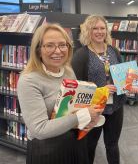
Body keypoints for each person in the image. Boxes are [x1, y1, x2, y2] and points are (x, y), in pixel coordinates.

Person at [17, 23, 103, 164]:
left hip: (75, 142)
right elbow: (40, 129)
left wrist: (88, 119)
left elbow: (73, 106)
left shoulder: (68, 70)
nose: (58, 51)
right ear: (38, 50)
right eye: (50, 45)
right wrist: (82, 116)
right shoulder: (29, 80)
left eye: (63, 45)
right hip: (48, 151)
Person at [72, 15, 126, 164]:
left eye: (102, 28)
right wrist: (101, 91)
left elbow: (122, 75)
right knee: (89, 146)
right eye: (95, 28)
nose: (99, 31)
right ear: (88, 31)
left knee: (112, 145)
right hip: (93, 109)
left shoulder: (113, 50)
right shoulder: (81, 55)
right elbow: (77, 88)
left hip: (115, 107)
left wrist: (129, 84)